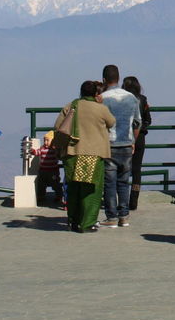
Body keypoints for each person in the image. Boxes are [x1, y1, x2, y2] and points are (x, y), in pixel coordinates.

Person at [54, 81, 115, 233]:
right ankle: (87, 223)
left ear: (80, 92)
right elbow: (112, 122)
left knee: (73, 187)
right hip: (93, 154)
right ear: (96, 94)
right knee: (91, 189)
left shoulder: (71, 106)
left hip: (72, 153)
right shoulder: (100, 108)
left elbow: (58, 127)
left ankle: (73, 220)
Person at [100, 65, 141, 228]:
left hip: (109, 144)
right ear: (118, 78)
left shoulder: (102, 98)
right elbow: (137, 122)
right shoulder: (131, 98)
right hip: (126, 144)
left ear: (104, 79)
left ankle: (111, 217)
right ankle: (124, 215)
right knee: (124, 182)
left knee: (109, 183)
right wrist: (133, 141)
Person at [122, 76, 152, 211]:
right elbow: (148, 120)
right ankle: (134, 200)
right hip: (140, 138)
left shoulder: (122, 99)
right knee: (137, 170)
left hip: (124, 138)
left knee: (121, 169)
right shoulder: (143, 100)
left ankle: (121, 200)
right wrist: (141, 129)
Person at [34, 131, 63, 204]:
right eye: (44, 140)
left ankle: (59, 196)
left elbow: (59, 155)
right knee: (41, 184)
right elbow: (38, 152)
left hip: (53, 171)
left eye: (47, 140)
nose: (45, 142)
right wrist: (33, 151)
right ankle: (41, 196)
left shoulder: (54, 149)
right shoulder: (42, 148)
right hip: (43, 170)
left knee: (55, 184)